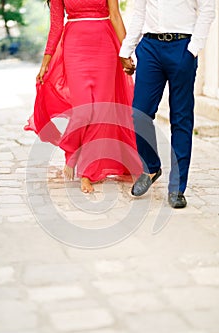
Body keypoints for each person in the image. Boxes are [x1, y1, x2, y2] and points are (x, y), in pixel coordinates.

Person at [24, 0, 142, 193]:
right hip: (75, 47)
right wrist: (46, 60)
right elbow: (56, 25)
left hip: (104, 45)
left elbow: (115, 14)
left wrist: (126, 52)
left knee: (101, 112)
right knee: (83, 111)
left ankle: (88, 172)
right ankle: (71, 152)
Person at [120, 0, 215, 208]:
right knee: (139, 113)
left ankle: (177, 188)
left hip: (182, 46)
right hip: (150, 48)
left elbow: (208, 9)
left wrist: (194, 48)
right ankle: (152, 167)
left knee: (181, 119)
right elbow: (139, 12)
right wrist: (126, 50)